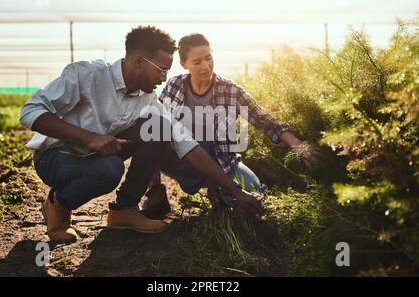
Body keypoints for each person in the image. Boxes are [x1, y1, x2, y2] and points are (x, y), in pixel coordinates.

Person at [19, 26, 263, 243]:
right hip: (56, 157)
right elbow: (30, 112)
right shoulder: (87, 75)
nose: (164, 78)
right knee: (110, 169)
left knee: (158, 127)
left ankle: (123, 210)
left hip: (98, 156)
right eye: (160, 70)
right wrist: (88, 138)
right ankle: (59, 203)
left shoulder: (148, 101)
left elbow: (187, 145)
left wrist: (234, 189)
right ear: (138, 61)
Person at [141, 33, 316, 218]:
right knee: (151, 129)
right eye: (197, 62)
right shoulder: (175, 85)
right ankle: (156, 193)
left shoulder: (231, 91)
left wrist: (296, 144)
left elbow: (262, 118)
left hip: (221, 162)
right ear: (184, 64)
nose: (206, 66)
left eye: (208, 58)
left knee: (257, 196)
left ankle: (217, 189)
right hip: (178, 159)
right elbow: (157, 121)